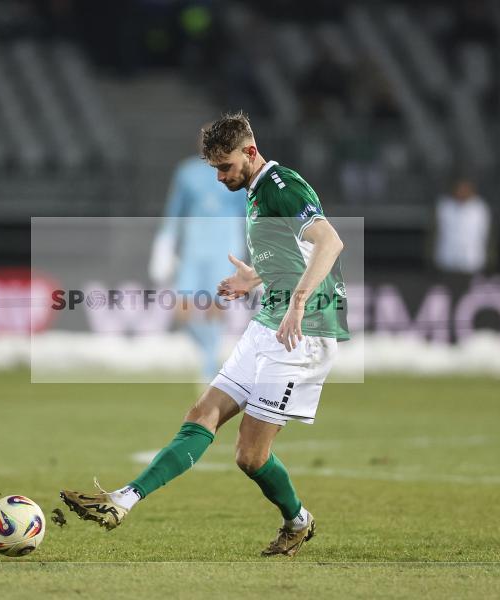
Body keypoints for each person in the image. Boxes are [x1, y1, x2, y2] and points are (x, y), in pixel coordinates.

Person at [61, 111, 349, 557]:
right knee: (202, 414)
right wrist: (253, 279)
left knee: (249, 457)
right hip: (269, 323)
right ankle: (125, 498)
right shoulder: (255, 191)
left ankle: (298, 520)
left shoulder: (281, 187)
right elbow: (293, 253)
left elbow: (329, 241)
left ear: (250, 152)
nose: (219, 177)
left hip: (302, 331)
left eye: (225, 167)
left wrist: (298, 303)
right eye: (214, 168)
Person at [149, 138, 245, 384]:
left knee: (216, 305)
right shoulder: (187, 171)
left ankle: (209, 365)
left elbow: (246, 211)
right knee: (181, 306)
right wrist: (165, 242)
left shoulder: (236, 169)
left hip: (224, 245)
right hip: (194, 245)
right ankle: (208, 354)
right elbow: (176, 209)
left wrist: (250, 246)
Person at [433, 177, 492, 274]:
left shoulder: (480, 208)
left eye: (465, 189)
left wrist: (490, 259)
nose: (462, 192)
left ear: (471, 191)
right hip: (446, 259)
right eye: (459, 189)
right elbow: (435, 232)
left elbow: (487, 235)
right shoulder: (444, 207)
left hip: (473, 260)